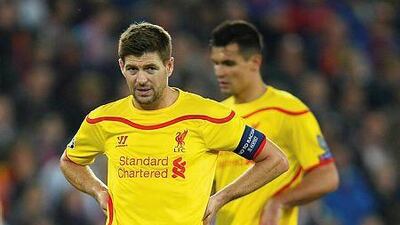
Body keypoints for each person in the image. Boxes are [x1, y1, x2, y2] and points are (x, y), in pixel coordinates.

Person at [59, 22, 289, 225]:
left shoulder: (208, 116)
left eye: (150, 68)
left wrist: (220, 198)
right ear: (121, 67)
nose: (141, 79)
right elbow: (70, 161)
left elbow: (275, 160)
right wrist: (98, 190)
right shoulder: (103, 119)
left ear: (169, 66)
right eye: (132, 69)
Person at [209, 20, 339, 225]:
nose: (219, 72)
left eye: (229, 63)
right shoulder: (219, 114)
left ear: (254, 62)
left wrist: (279, 202)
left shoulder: (288, 110)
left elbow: (327, 176)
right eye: (216, 63)